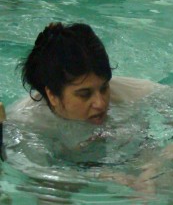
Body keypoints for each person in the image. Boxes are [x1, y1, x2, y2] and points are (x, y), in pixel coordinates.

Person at [7, 22, 163, 150]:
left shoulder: (134, 93)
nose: (100, 103)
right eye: (84, 94)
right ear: (52, 95)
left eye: (104, 88)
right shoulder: (24, 125)